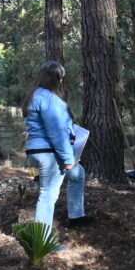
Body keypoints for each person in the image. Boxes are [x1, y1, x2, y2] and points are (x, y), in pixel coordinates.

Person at [22, 61, 91, 244]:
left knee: (78, 173)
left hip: (36, 151)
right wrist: (69, 158)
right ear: (57, 79)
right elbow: (57, 132)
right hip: (48, 154)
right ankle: (42, 243)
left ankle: (76, 217)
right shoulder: (50, 99)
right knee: (48, 195)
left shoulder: (34, 95)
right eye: (61, 78)